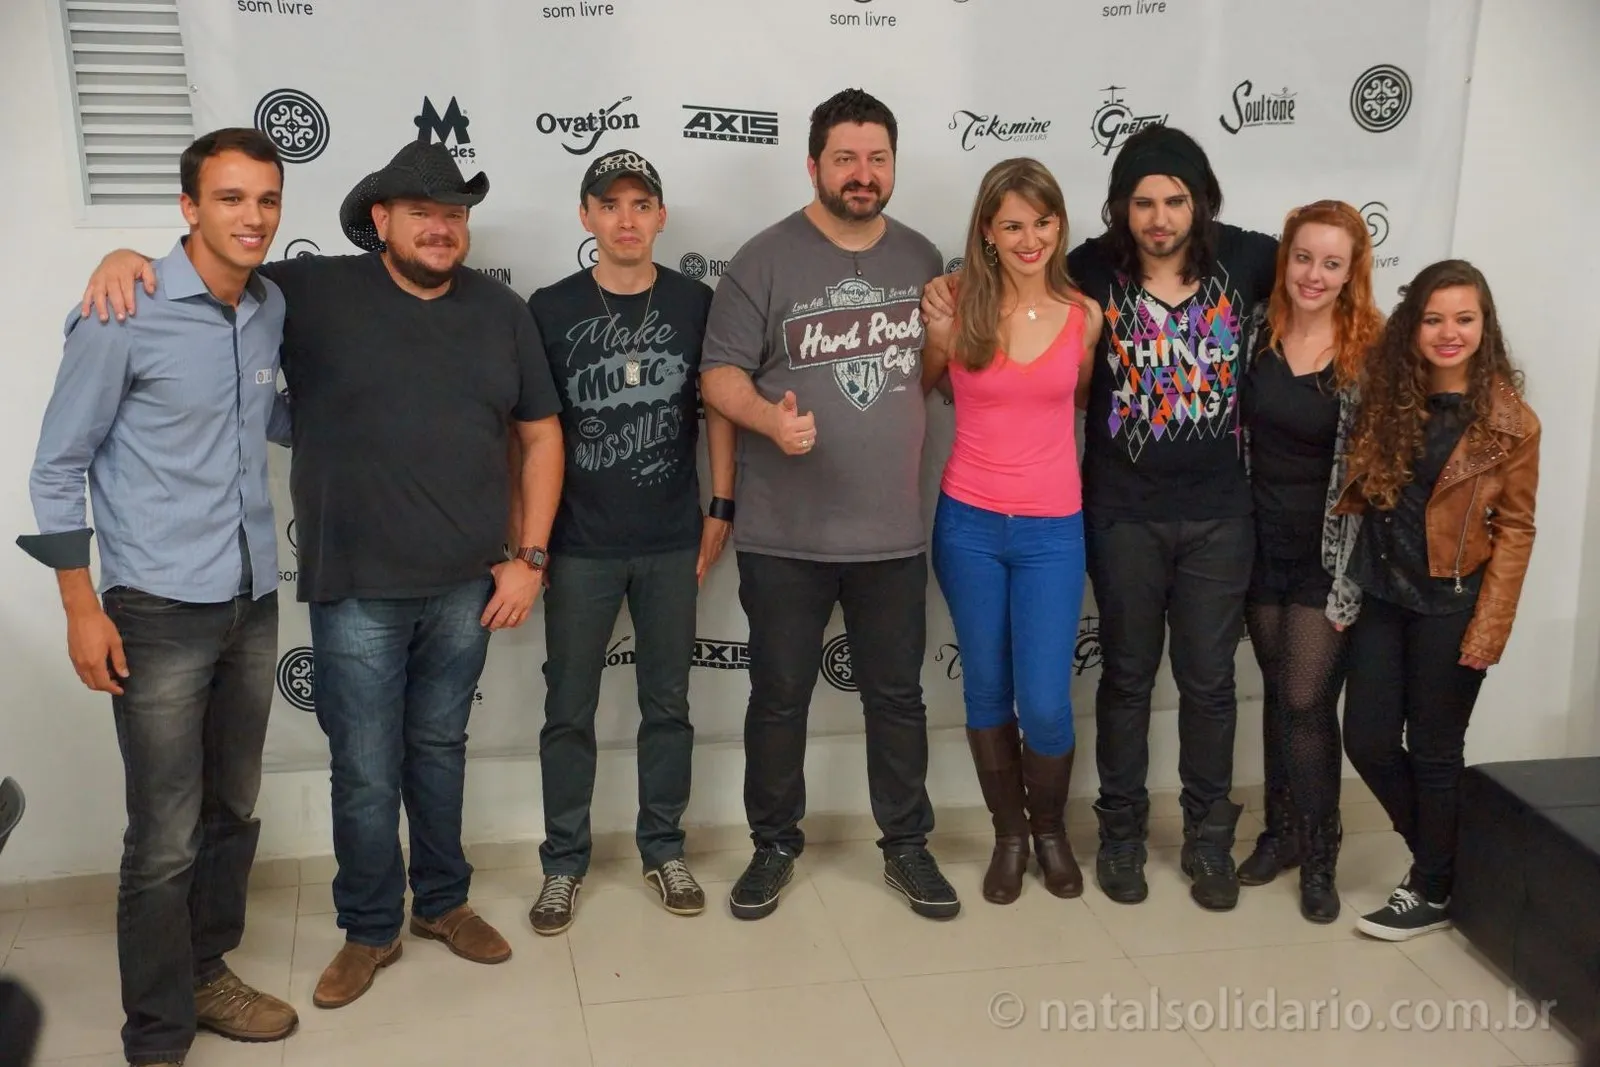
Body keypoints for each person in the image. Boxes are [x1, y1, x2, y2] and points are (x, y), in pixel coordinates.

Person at [78, 141, 567, 1007]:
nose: (441, 228)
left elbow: (540, 436)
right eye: (421, 212)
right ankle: (371, 926)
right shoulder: (306, 292)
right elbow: (209, 272)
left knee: (439, 750)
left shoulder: (503, 311)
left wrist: (529, 557)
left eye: (454, 214)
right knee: (366, 766)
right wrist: (122, 258)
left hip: (469, 582)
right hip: (353, 584)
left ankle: (442, 903)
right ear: (381, 219)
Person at [924, 125, 1278, 911]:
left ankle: (1192, 839)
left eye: (1175, 200)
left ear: (1201, 201)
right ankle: (1080, 836)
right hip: (1077, 517)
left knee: (1196, 685)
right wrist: (944, 295)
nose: (1159, 217)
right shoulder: (1081, 274)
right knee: (1103, 680)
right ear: (1119, 209)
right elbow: (935, 380)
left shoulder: (1233, 264)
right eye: (1142, 202)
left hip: (1182, 516)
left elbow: (1327, 274)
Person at [20, 128, 298, 1066]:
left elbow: (278, 415)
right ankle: (156, 1032)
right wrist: (79, 604)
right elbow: (56, 467)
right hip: (155, 608)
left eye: (266, 199)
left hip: (251, 598)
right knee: (166, 834)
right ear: (188, 207)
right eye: (230, 198)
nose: (252, 217)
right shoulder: (121, 309)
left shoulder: (268, 307)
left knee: (233, 809)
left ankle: (207, 972)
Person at [699, 88, 960, 921]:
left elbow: (922, 380)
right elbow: (718, 375)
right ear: (813, 165)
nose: (862, 173)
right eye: (845, 158)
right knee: (779, 697)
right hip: (786, 535)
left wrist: (943, 340)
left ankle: (907, 844)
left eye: (877, 158)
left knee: (898, 698)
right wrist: (769, 420)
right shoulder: (764, 257)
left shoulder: (921, 256)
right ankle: (774, 844)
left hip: (891, 532)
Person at [522, 149, 735, 935]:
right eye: (609, 204)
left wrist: (721, 503)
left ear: (661, 216)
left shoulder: (695, 301)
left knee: (668, 705)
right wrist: (530, 538)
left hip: (671, 540)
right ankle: (563, 862)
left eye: (641, 204)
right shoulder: (549, 307)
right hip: (579, 544)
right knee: (568, 709)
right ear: (585, 215)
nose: (625, 220)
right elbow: (529, 431)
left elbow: (719, 408)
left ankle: (663, 847)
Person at [1330, 260, 1539, 941]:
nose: (1450, 332)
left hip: (1453, 604)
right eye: (1434, 318)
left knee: (1435, 750)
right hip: (1383, 593)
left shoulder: (1511, 422)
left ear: (1485, 326)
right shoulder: (1387, 394)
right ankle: (1447, 865)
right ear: (1413, 326)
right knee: (1367, 739)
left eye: (1465, 318)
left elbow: (1516, 529)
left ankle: (1430, 884)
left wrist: (1492, 625)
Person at [920, 157, 1103, 905]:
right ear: (988, 233)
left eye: (1043, 222)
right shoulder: (955, 305)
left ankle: (1051, 831)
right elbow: (922, 388)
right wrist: (939, 334)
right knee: (988, 690)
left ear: (1059, 225)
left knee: (1047, 701)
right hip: (967, 525)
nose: (1031, 239)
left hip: (1053, 531)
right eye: (1013, 225)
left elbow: (1081, 401)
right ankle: (1010, 836)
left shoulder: (1085, 315)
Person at [1234, 200, 1384, 924]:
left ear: (1352, 273)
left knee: (1305, 700)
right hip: (1257, 545)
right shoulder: (1251, 333)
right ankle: (1281, 831)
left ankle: (1321, 851)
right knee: (1278, 692)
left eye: (1331, 263)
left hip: (1331, 556)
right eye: (1303, 257)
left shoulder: (1373, 353)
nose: (1313, 275)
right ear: (1284, 258)